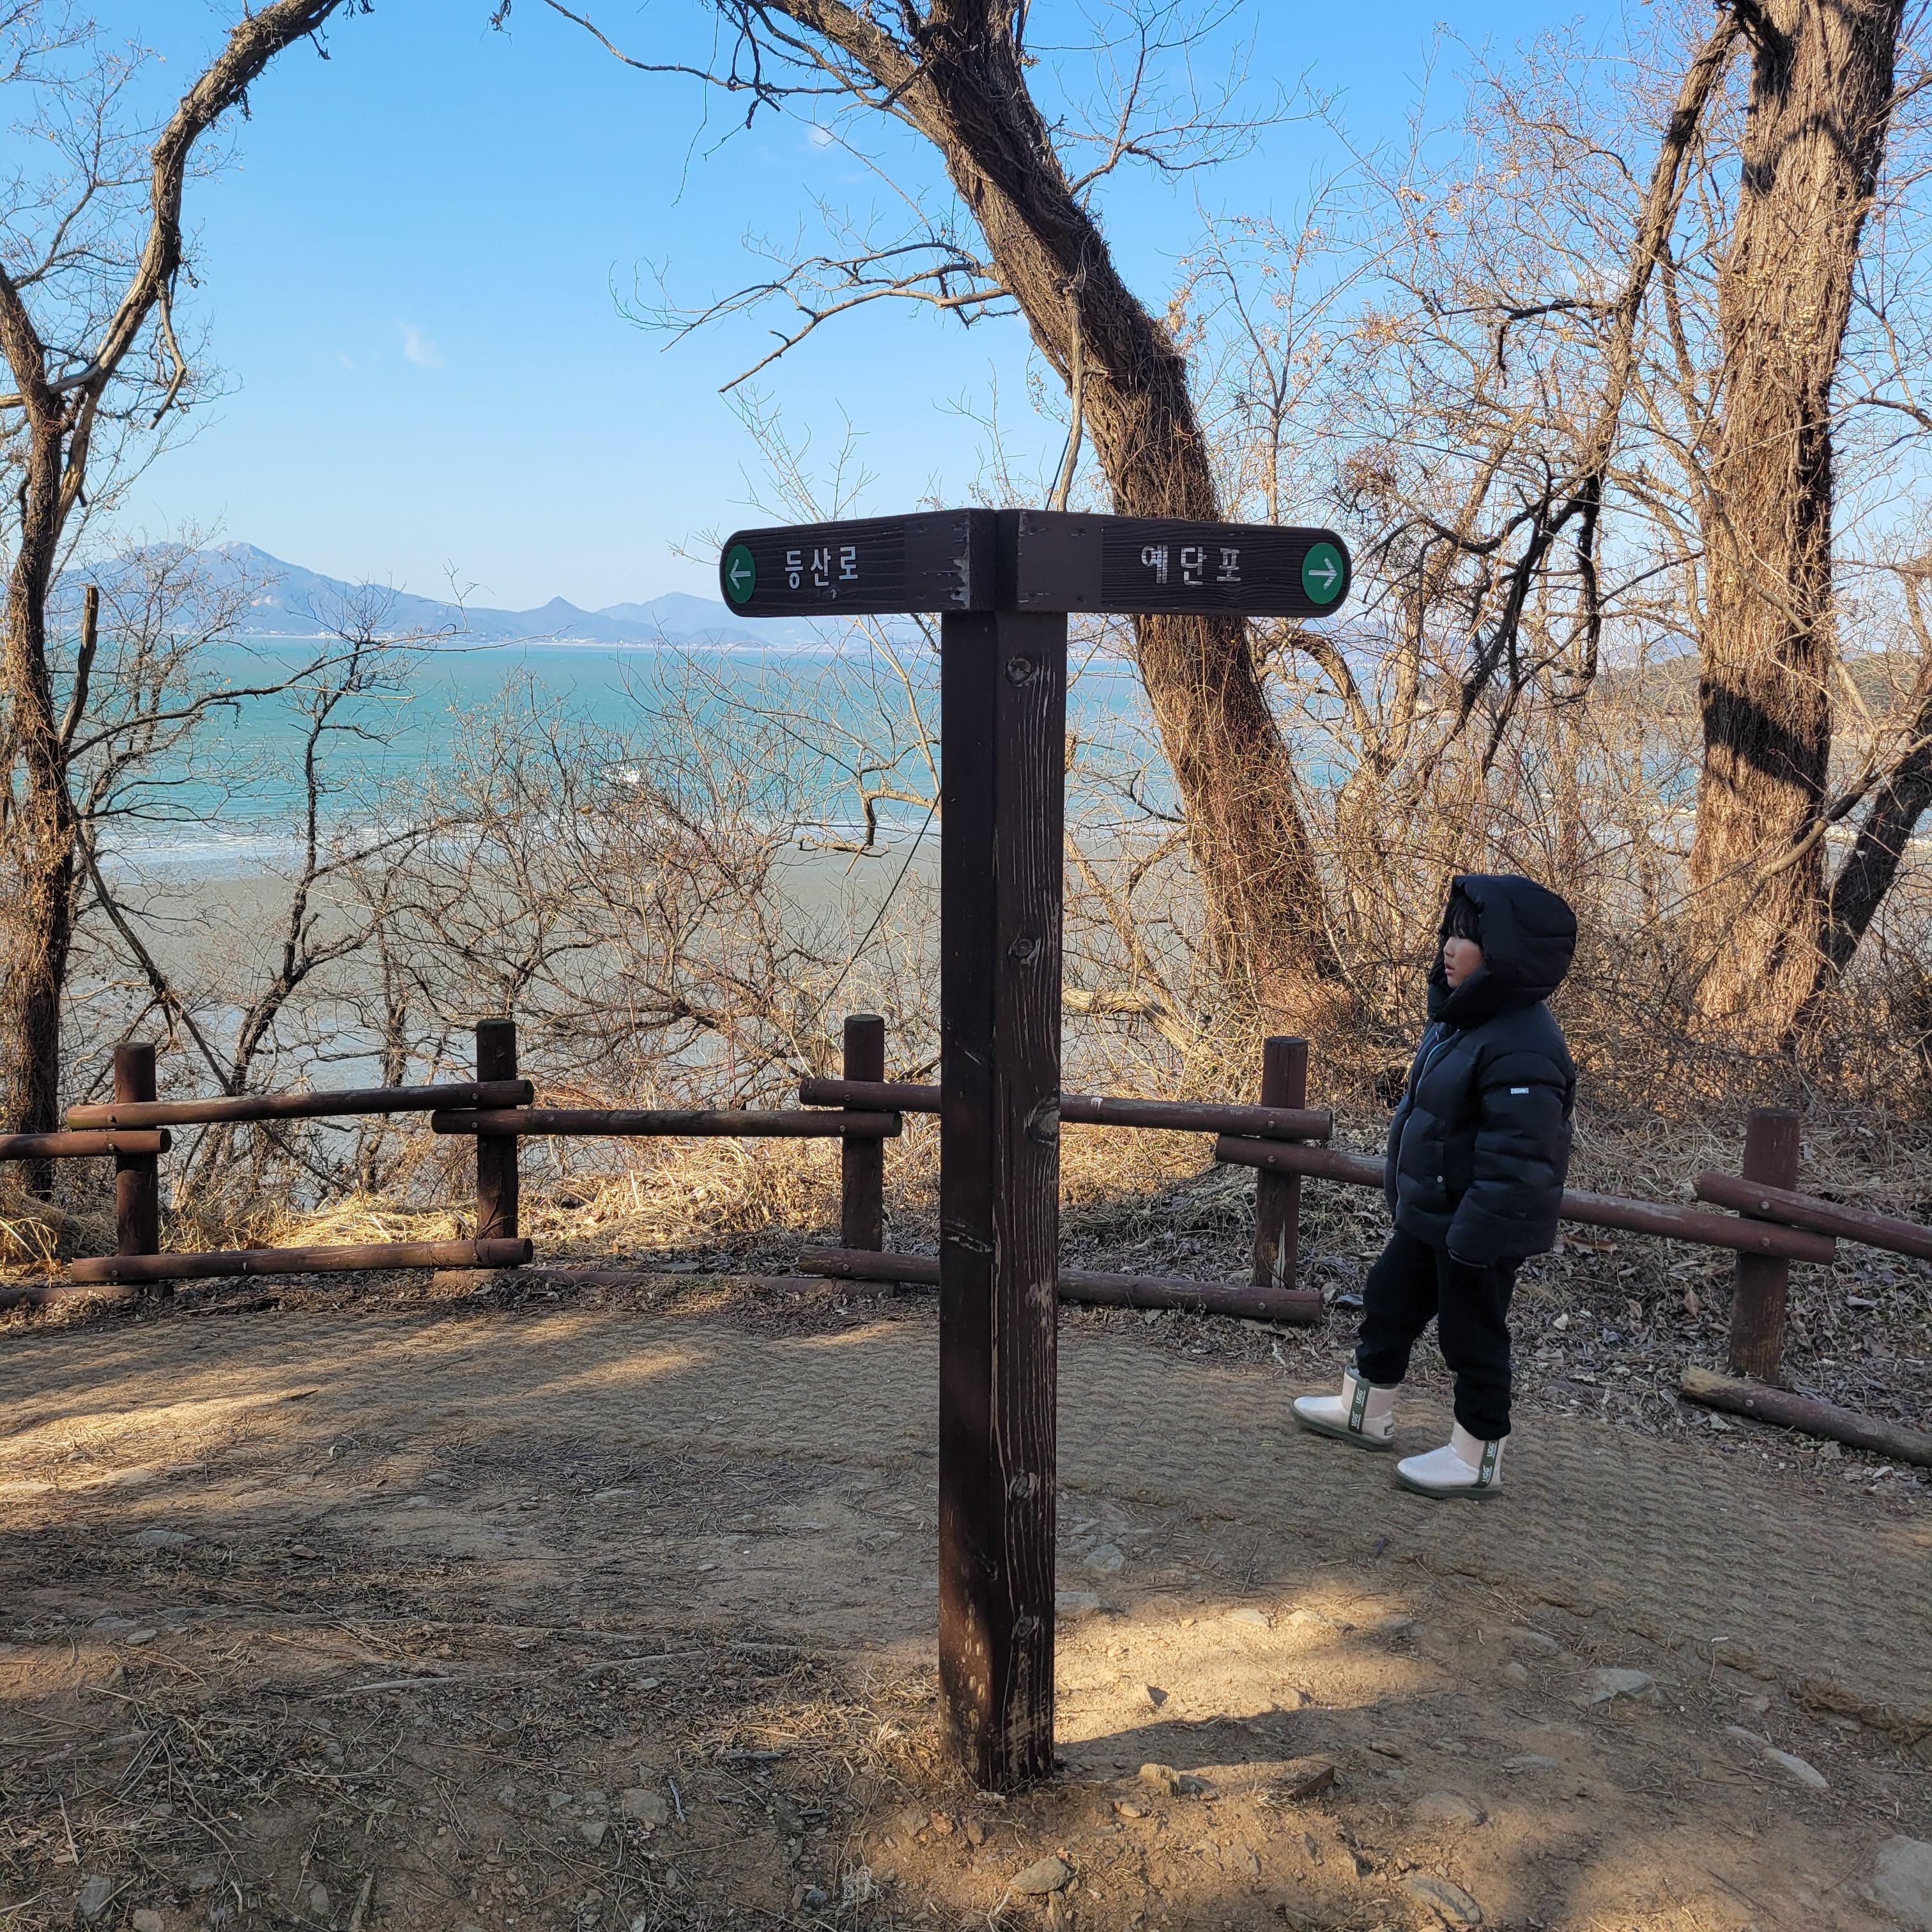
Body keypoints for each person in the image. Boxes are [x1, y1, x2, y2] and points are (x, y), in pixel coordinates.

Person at [1292, 873, 1577, 1498]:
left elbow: (1520, 1159)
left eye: (1467, 937)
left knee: (1472, 1338)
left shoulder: (1525, 1044)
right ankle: (1365, 1412)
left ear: (1506, 953)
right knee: (1389, 1301)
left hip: (1476, 1228)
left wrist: (1477, 1237)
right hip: (1436, 1213)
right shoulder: (1461, 1020)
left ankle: (1477, 1458)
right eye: (1448, 932)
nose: (1449, 947)